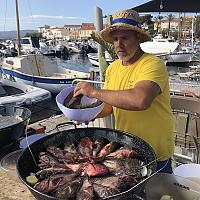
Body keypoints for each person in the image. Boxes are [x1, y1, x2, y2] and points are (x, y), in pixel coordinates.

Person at [73, 9, 174, 173]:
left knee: (160, 194)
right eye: (115, 39)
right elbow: (108, 106)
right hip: (126, 149)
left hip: (156, 151)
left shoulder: (153, 64)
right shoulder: (113, 68)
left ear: (138, 37)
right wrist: (88, 114)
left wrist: (93, 91)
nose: (118, 45)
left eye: (125, 38)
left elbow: (140, 100)